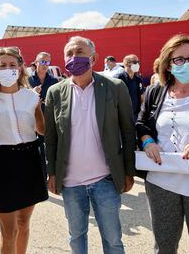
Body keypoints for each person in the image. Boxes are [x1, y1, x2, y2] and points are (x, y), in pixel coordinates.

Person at [45, 36, 136, 254]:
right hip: (71, 183)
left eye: (79, 52)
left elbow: (127, 131)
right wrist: (52, 173)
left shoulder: (115, 87)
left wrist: (128, 171)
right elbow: (51, 138)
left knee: (113, 240)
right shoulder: (55, 93)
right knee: (76, 239)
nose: (74, 57)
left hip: (105, 179)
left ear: (93, 58)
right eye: (69, 53)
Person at [136, 34, 189, 254]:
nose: (186, 63)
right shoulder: (155, 92)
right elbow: (141, 124)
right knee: (164, 247)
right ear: (168, 65)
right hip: (161, 181)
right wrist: (148, 141)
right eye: (178, 59)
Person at [0, 46, 48, 254]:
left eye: (12, 65)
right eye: (3, 65)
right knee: (8, 231)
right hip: (3, 163)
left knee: (24, 223)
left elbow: (42, 129)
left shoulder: (32, 97)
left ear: (20, 68)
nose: (8, 69)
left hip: (30, 160)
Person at [28, 51, 58, 178]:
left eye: (47, 62)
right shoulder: (27, 79)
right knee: (32, 148)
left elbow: (58, 101)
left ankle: (48, 174)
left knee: (47, 148)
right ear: (36, 62)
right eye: (42, 61)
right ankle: (37, 174)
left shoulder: (54, 80)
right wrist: (31, 93)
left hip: (47, 119)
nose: (45, 65)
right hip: (30, 119)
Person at [116, 54, 145, 120]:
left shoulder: (138, 79)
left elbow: (142, 97)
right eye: (135, 62)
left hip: (136, 115)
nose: (137, 64)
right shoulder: (119, 79)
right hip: (122, 116)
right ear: (126, 63)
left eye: (138, 62)